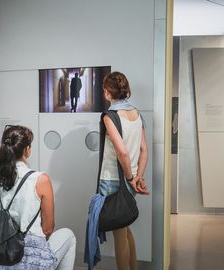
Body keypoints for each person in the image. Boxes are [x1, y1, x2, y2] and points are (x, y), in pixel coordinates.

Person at [0, 125, 76, 270]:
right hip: (30, 262)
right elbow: (48, 229)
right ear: (27, 150)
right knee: (69, 236)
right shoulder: (40, 180)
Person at [99, 72, 149, 270]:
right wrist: (137, 177)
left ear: (107, 92)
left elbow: (123, 152)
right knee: (125, 229)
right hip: (132, 178)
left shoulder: (110, 116)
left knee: (119, 234)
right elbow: (144, 150)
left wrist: (129, 178)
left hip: (113, 180)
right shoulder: (137, 114)